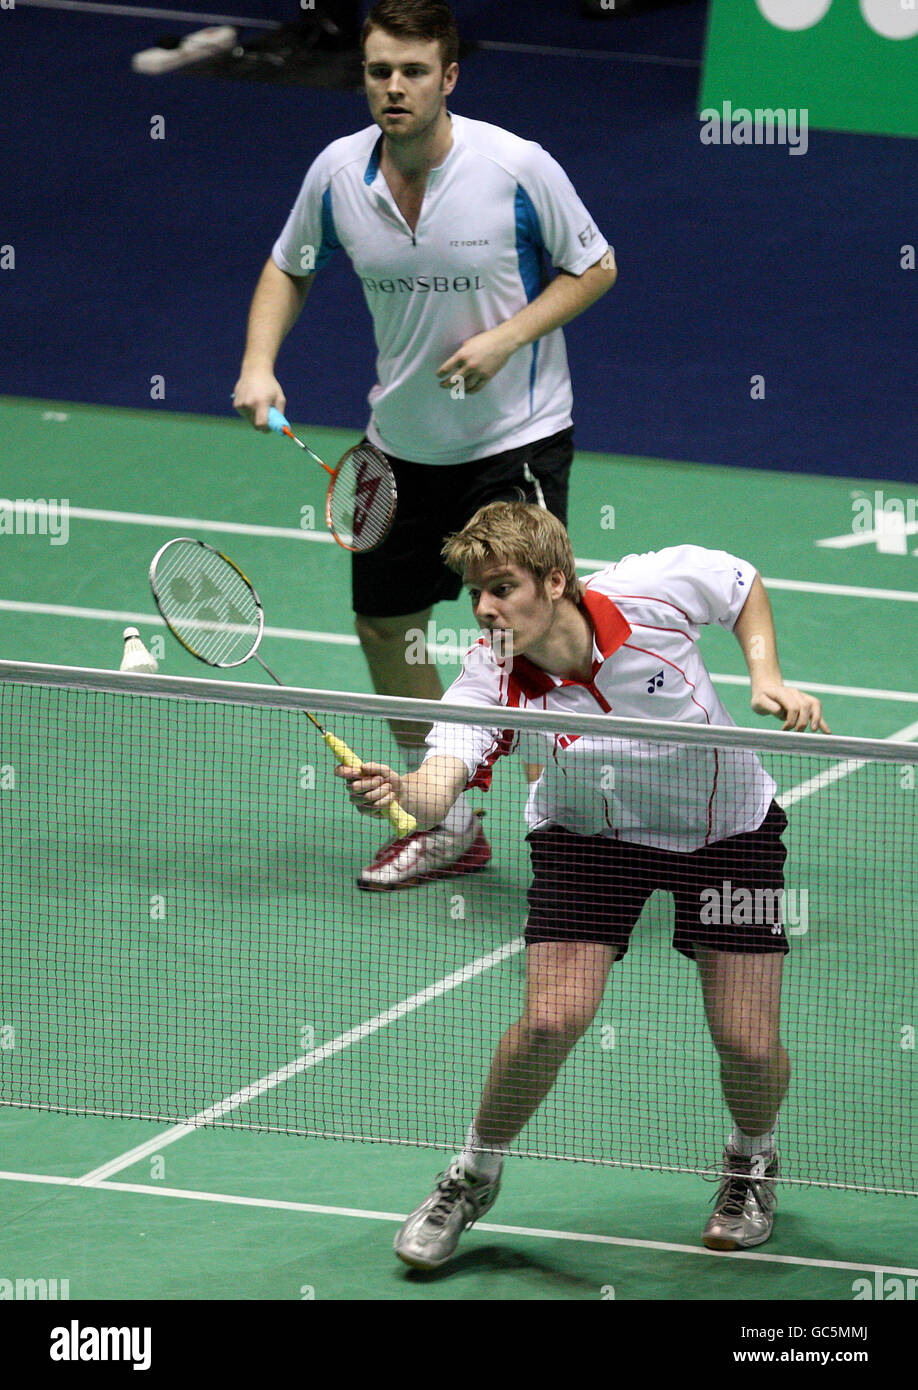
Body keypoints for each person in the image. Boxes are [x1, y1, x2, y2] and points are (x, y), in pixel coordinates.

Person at [338, 501, 830, 1269]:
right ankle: (472, 1175)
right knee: (549, 1022)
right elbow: (441, 781)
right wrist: (401, 789)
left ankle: (751, 1161)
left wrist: (766, 677)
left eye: (502, 588)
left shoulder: (651, 591)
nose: (486, 609)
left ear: (556, 580)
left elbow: (741, 585)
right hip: (589, 837)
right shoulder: (490, 674)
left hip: (726, 828)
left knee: (747, 1042)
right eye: (475, 593)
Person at [232, 0, 617, 890]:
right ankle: (443, 818)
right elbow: (290, 264)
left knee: (536, 639)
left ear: (448, 77)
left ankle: (568, 836)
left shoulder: (514, 167)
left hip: (511, 444)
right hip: (397, 451)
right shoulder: (337, 172)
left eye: (412, 71)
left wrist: (508, 337)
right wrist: (258, 363)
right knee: (389, 632)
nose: (394, 88)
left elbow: (595, 266)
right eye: (378, 71)